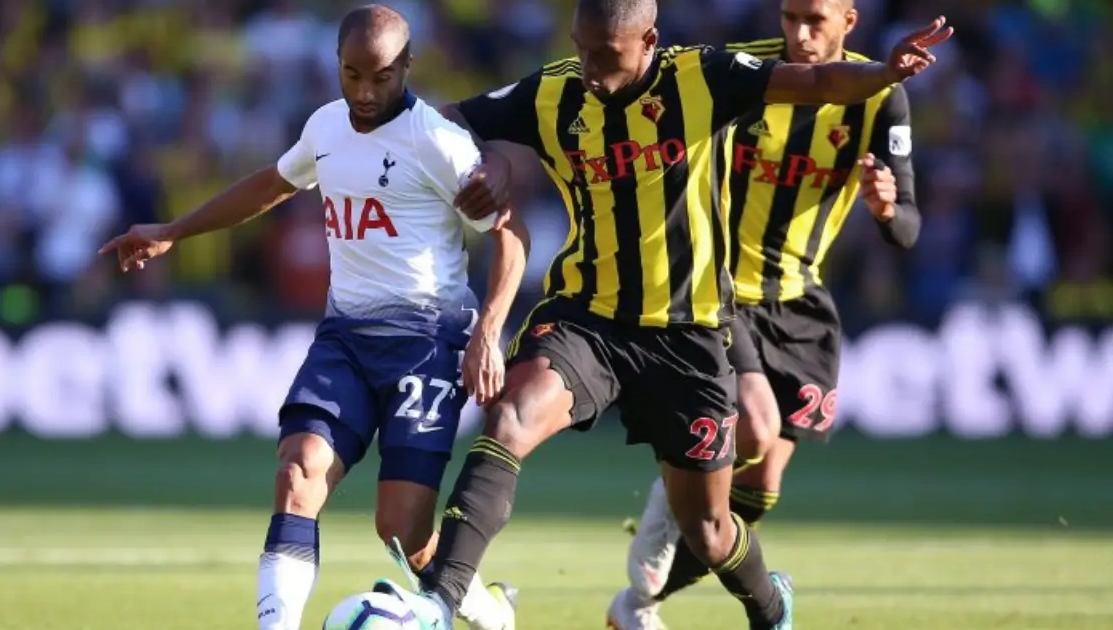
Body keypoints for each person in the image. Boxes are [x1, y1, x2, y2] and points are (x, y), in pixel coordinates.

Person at [371, 1, 950, 629]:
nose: (590, 69)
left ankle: (770, 606)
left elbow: (816, 81)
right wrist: (488, 163)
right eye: (581, 49)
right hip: (588, 318)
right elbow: (449, 121)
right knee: (510, 417)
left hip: (689, 333)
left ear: (649, 40)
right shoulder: (554, 91)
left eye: (606, 55)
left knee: (709, 529)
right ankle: (440, 603)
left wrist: (885, 74)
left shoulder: (703, 78)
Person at [98, 6, 525, 630]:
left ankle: (489, 613)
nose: (365, 91)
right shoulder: (326, 126)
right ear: (337, 65)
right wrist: (175, 230)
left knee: (402, 531)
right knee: (297, 474)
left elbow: (512, 237)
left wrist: (487, 331)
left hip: (427, 341)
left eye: (381, 76)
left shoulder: (437, 142)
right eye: (352, 75)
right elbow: (271, 184)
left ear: (408, 66)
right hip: (345, 337)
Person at [607, 0, 924, 626]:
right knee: (751, 429)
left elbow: (908, 227)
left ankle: (638, 604)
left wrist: (886, 208)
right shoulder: (743, 74)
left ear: (849, 21)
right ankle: (676, 483)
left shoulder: (879, 96)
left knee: (759, 488)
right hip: (717, 289)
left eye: (815, 20)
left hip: (800, 303)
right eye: (789, 17)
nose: (799, 34)